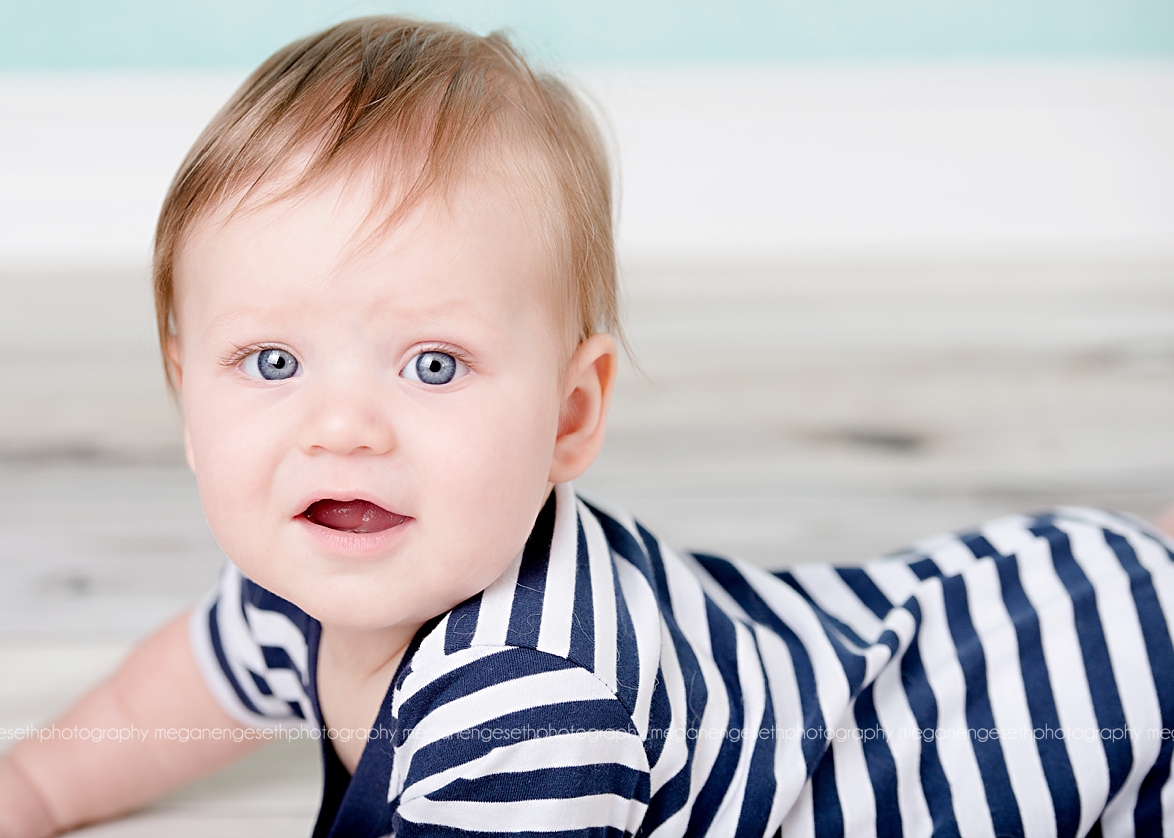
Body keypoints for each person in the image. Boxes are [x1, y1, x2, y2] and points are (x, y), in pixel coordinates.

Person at [2, 16, 1173, 837]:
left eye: (431, 362)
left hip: (1087, 704)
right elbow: (165, 698)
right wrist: (39, 789)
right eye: (270, 361)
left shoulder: (530, 704)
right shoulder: (305, 576)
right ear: (186, 402)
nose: (342, 426)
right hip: (942, 617)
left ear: (570, 415)